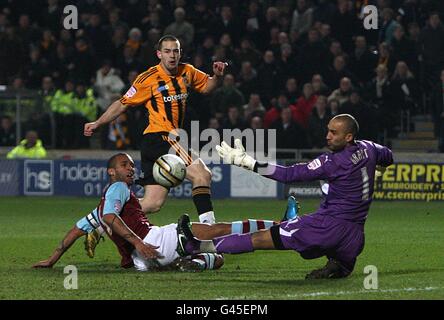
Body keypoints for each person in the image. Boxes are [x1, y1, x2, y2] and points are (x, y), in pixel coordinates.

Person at [178, 114, 393, 279]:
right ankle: (336, 266)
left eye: (333, 133)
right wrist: (379, 166)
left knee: (261, 238)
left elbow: (289, 174)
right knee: (340, 265)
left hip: (327, 227)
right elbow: (388, 156)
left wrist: (247, 162)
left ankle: (195, 247)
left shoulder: (333, 162)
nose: (327, 136)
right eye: (328, 130)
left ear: (348, 137)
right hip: (354, 236)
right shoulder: (369, 148)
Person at [33, 153, 297, 271]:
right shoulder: (119, 188)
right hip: (155, 242)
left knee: (216, 257)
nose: (131, 169)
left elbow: (75, 232)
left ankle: (190, 262)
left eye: (132, 166)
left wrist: (53, 258)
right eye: (125, 165)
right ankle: (281, 225)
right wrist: (138, 241)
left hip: (143, 261)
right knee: (222, 230)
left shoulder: (101, 205)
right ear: (111, 172)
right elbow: (110, 218)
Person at [84, 35, 227, 227]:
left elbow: (208, 86)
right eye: (167, 51)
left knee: (152, 203)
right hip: (161, 137)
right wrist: (98, 123)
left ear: (180, 53)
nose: (172, 55)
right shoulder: (148, 79)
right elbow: (122, 103)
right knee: (202, 175)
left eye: (175, 51)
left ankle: (100, 220)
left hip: (158, 142)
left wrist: (217, 76)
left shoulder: (188, 71)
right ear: (159, 54)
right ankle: (209, 230)